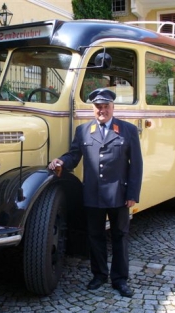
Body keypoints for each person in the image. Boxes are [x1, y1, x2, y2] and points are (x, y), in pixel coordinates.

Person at [48, 88, 143, 297]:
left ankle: (120, 279)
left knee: (120, 237)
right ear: (93, 109)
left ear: (112, 107)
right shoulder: (83, 131)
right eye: (98, 107)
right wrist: (61, 161)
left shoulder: (127, 130)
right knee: (95, 237)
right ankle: (99, 275)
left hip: (119, 194)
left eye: (106, 106)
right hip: (92, 194)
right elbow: (74, 156)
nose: (102, 110)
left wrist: (132, 194)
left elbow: (136, 165)